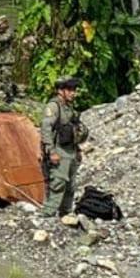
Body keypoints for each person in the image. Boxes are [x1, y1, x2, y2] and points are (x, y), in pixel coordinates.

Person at [38, 76, 89, 217]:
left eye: (74, 90)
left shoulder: (69, 107)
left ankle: (65, 211)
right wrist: (51, 151)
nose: (73, 93)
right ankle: (48, 213)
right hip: (59, 150)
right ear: (61, 91)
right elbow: (46, 128)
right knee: (58, 182)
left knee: (70, 185)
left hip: (70, 151)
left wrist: (77, 149)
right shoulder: (54, 107)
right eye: (70, 90)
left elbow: (73, 128)